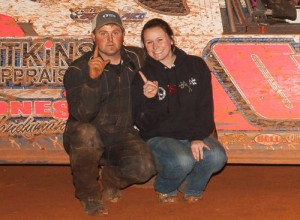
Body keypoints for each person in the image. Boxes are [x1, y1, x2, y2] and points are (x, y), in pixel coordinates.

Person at [63, 9, 155, 216]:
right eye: (103, 33)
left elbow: (166, 55)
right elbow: (82, 115)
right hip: (86, 135)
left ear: (123, 35)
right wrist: (92, 81)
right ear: (93, 37)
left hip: (121, 134)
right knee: (86, 133)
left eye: (115, 32)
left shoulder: (137, 58)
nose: (110, 38)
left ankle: (110, 179)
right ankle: (89, 195)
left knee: (146, 167)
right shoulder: (78, 70)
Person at [132, 18, 227, 203]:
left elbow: (205, 106)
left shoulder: (196, 65)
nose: (155, 46)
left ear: (171, 39)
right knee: (182, 160)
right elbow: (141, 124)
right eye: (149, 42)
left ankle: (191, 187)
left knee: (217, 156)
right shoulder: (142, 77)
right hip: (160, 138)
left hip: (192, 133)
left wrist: (197, 137)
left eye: (160, 39)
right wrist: (150, 100)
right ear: (144, 46)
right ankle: (165, 187)